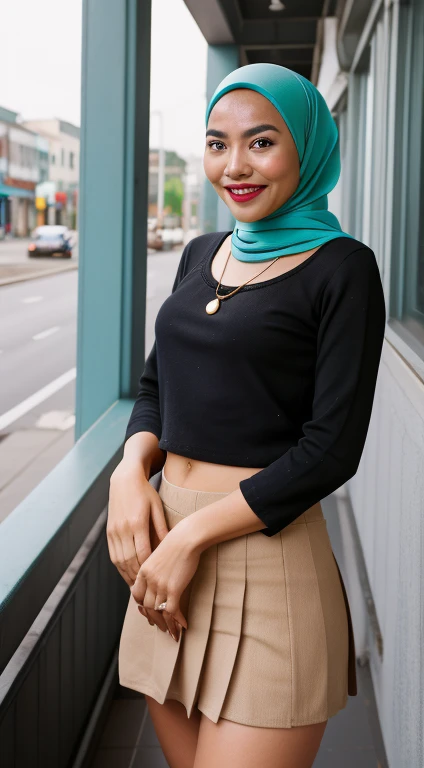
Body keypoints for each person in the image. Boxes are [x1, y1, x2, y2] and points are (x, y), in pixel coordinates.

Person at [108, 63, 386, 768]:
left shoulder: (342, 269)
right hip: (164, 556)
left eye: (262, 143)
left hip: (264, 556)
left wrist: (192, 536)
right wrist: (128, 473)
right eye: (216, 143)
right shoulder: (204, 253)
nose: (234, 166)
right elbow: (155, 387)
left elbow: (331, 450)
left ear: (307, 149)